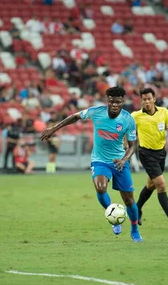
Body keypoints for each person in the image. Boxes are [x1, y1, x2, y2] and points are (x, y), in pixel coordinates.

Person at [41, 86, 143, 242]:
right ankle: (112, 215)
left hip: (119, 162)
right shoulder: (96, 112)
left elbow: (133, 144)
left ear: (123, 101)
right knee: (101, 188)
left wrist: (124, 160)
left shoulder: (128, 119)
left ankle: (135, 230)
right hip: (100, 160)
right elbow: (75, 116)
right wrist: (54, 128)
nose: (115, 105)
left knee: (129, 201)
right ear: (107, 101)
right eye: (112, 102)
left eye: (118, 102)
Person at [131, 88, 168, 229]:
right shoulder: (136, 116)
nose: (147, 101)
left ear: (154, 99)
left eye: (149, 98)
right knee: (161, 184)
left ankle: (137, 209)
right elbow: (124, 128)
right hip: (146, 153)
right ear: (141, 101)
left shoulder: (164, 112)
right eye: (144, 99)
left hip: (160, 153)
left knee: (150, 185)